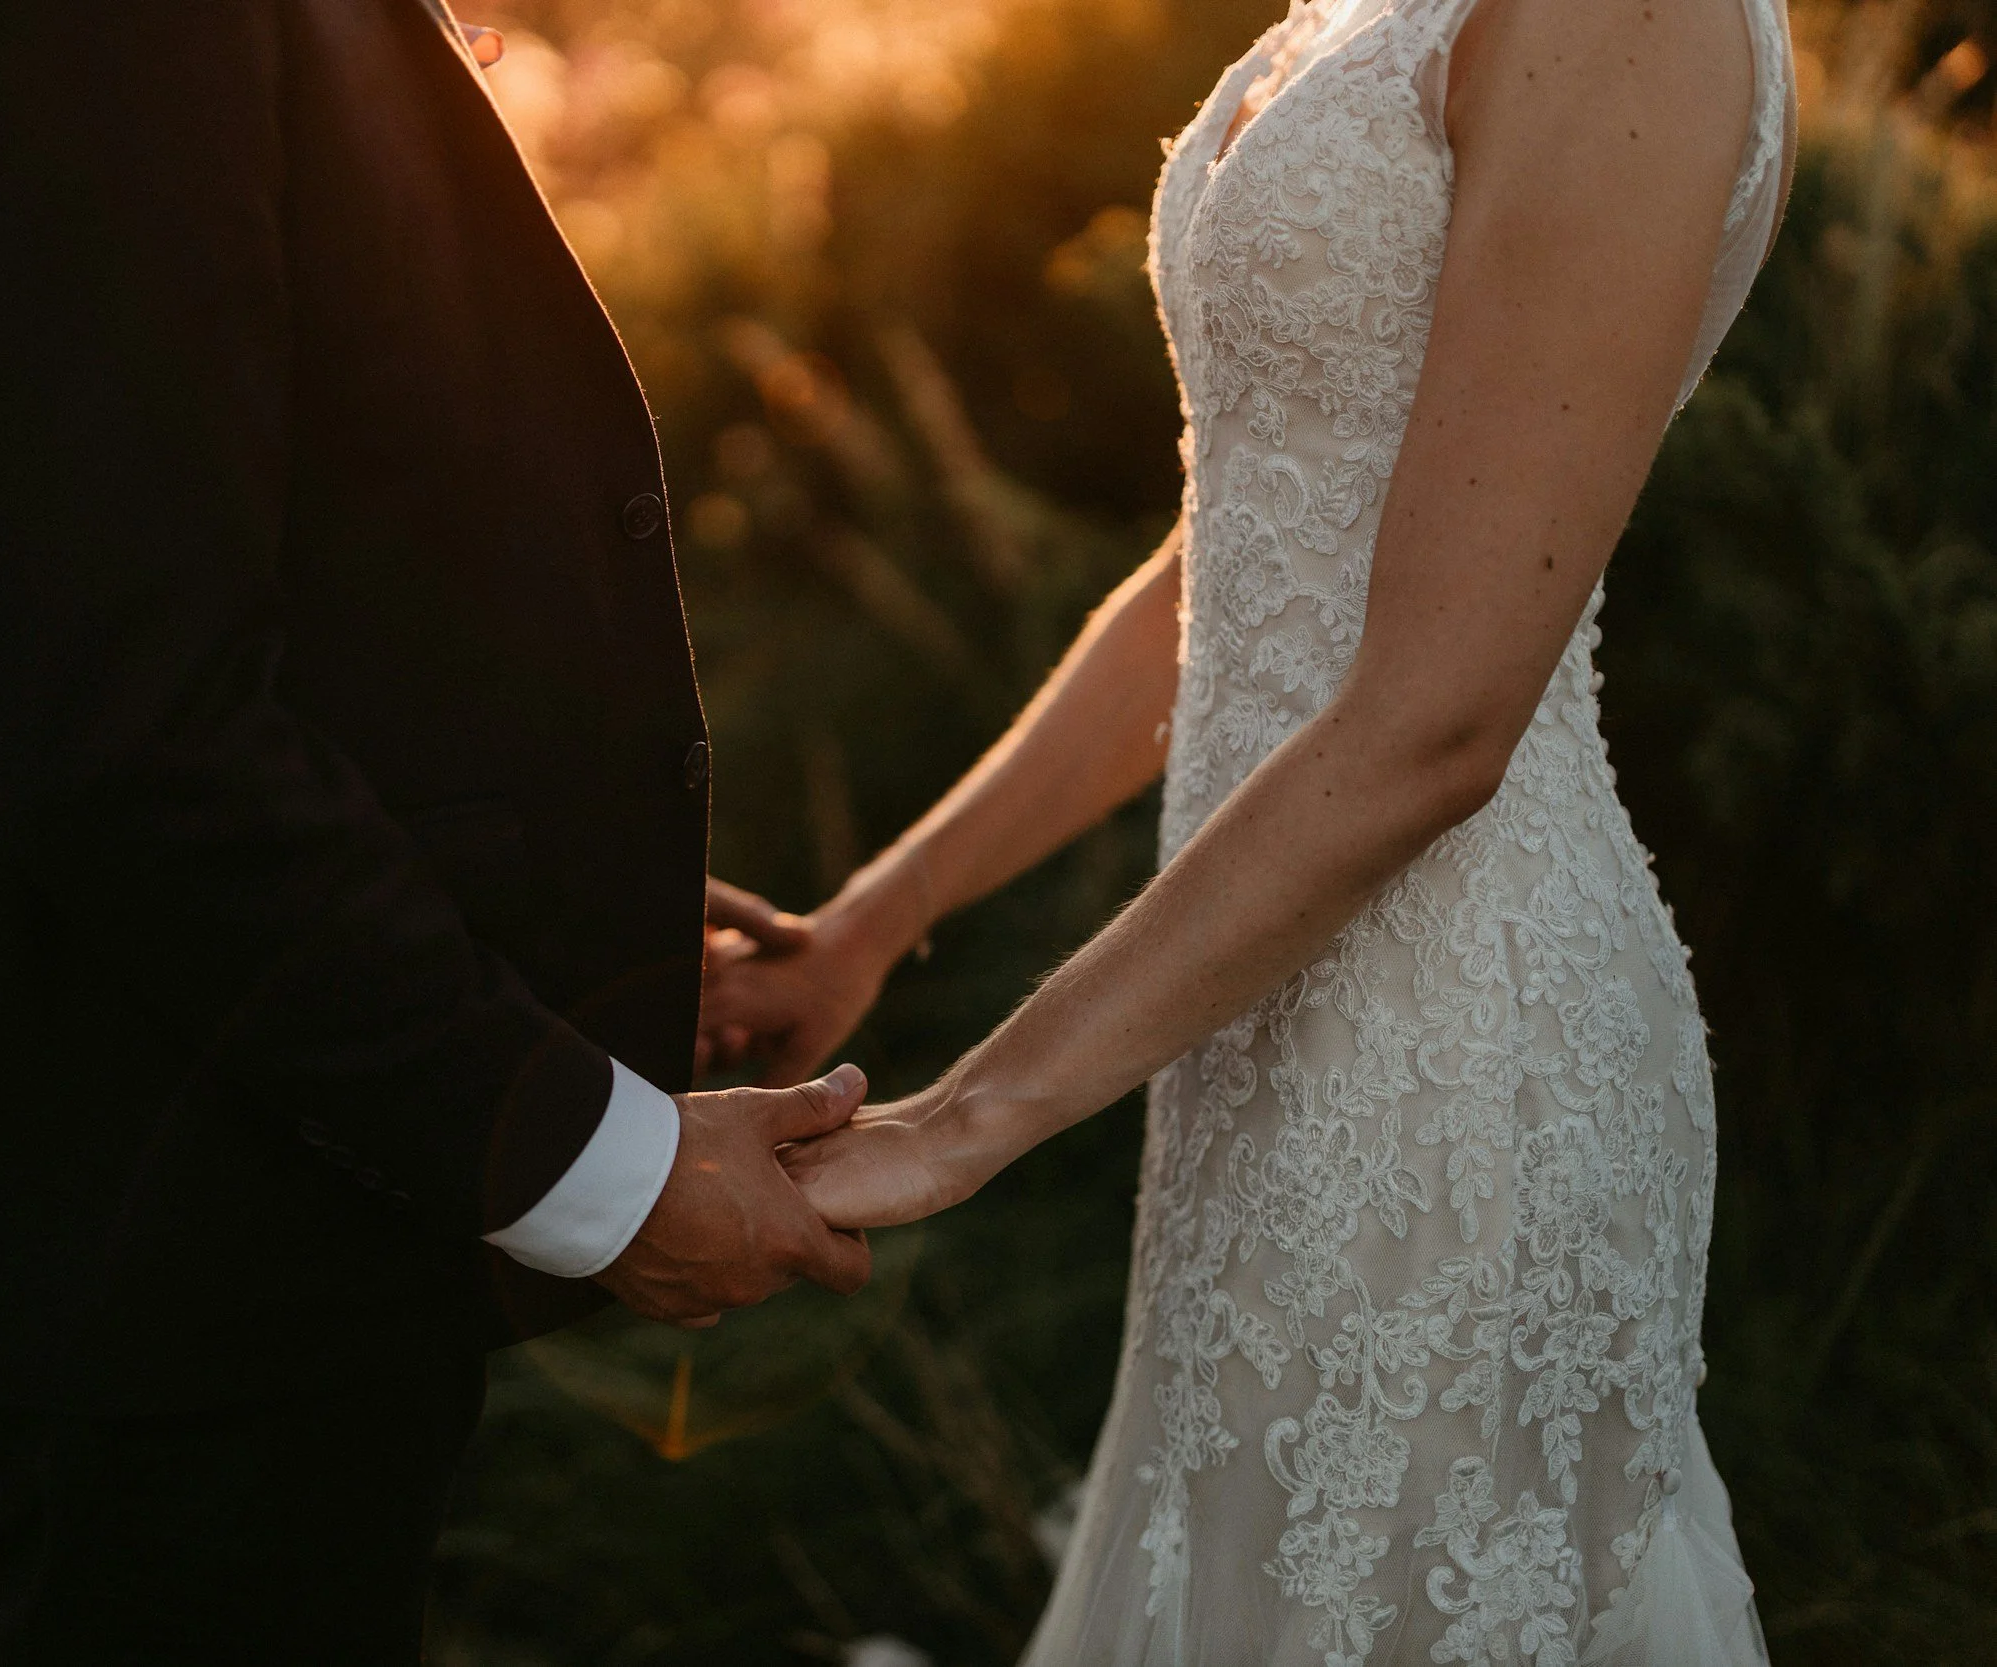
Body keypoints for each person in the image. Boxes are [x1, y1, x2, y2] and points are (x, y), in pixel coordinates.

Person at [0, 0, 864, 1660]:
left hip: (246, 1174)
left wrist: (550, 907)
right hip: (160, 1232)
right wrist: (593, 1162)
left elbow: (234, 535)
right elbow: (137, 728)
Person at [703, 0, 1793, 1655]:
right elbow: (1228, 555)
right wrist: (876, 914)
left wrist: (965, 1118)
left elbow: (1437, 720)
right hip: (1238, 1004)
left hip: (1451, 1048)